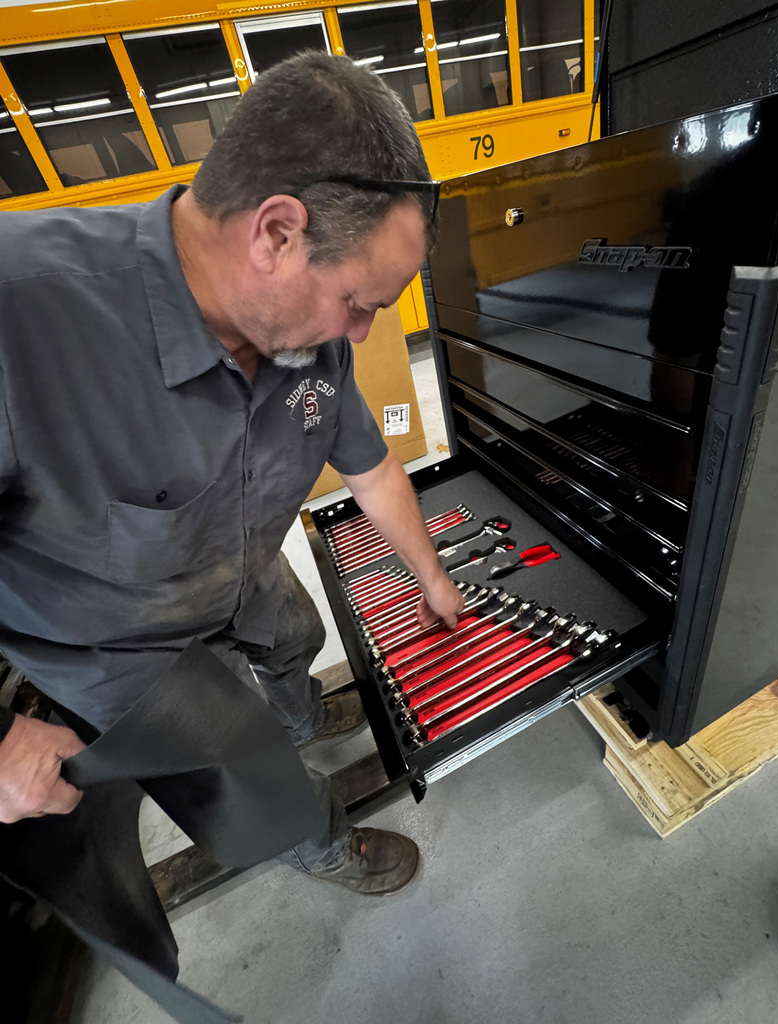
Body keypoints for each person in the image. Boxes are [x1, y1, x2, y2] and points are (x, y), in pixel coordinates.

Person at [0, 51, 464, 896]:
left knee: (299, 640)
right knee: (247, 779)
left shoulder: (307, 343)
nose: (360, 334)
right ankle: (319, 842)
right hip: (120, 648)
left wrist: (431, 578)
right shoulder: (21, 313)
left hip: (238, 566)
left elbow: (368, 465)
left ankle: (301, 715)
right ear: (276, 233)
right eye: (359, 301)